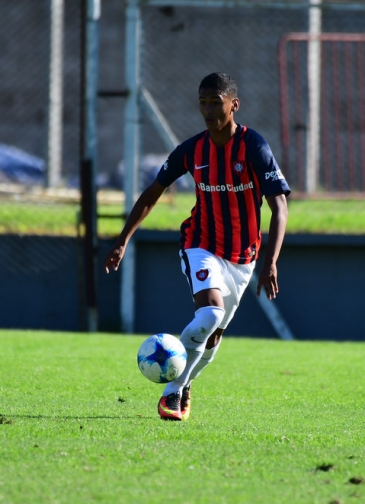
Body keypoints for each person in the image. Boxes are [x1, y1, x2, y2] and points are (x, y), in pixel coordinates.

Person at [103, 72, 290, 421]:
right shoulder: (192, 150)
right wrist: (123, 239)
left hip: (244, 258)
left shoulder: (254, 147)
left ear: (233, 105)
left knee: (214, 336)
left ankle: (185, 382)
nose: (207, 110)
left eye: (214, 102)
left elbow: (279, 207)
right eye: (202, 102)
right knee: (210, 314)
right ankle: (171, 392)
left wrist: (271, 261)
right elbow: (153, 192)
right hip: (200, 244)